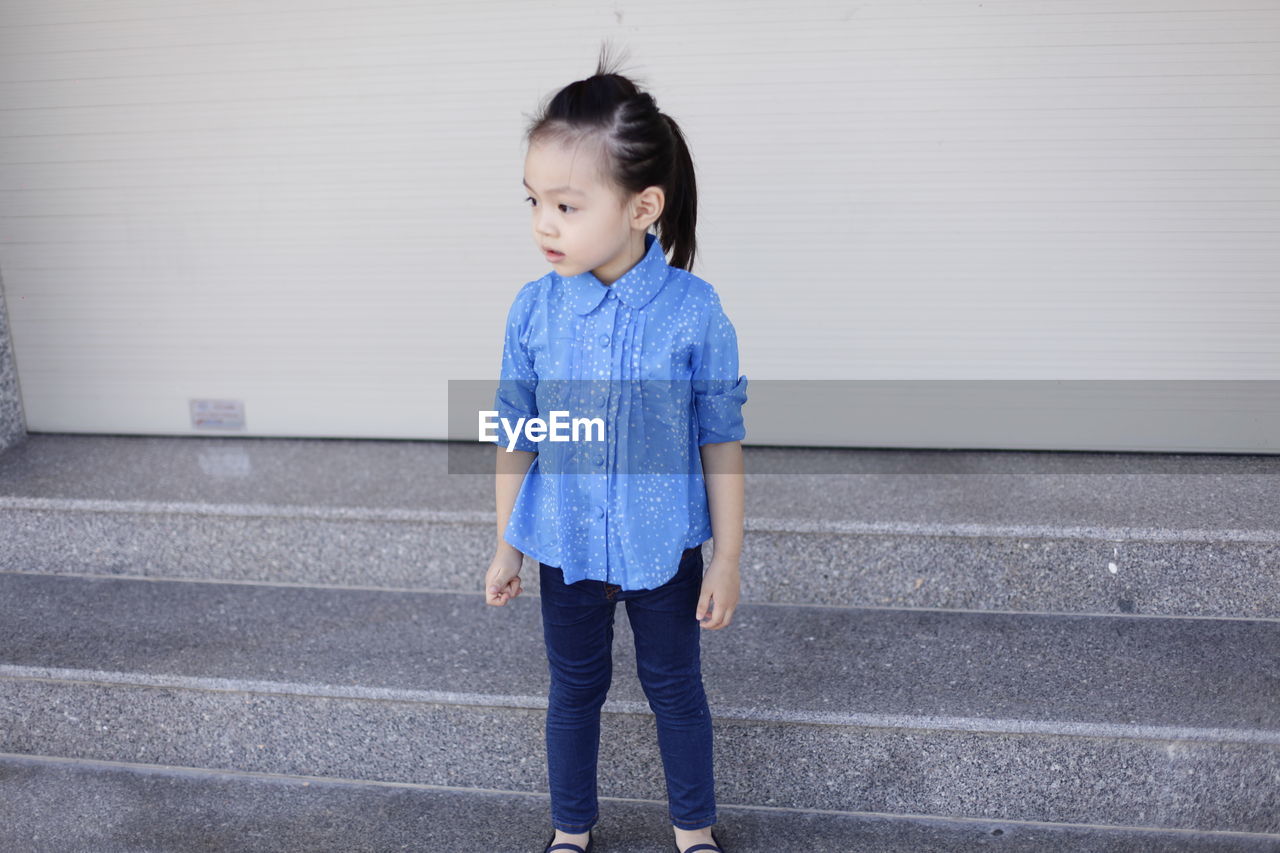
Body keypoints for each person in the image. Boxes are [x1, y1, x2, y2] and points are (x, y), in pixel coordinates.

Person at [483, 43, 747, 853]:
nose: (542, 224)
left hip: (664, 548)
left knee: (676, 689)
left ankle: (693, 830)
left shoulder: (694, 314)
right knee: (574, 689)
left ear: (641, 207)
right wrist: (506, 544)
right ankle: (571, 828)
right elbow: (515, 431)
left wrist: (729, 555)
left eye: (566, 205)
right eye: (534, 201)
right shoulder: (534, 312)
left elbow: (721, 438)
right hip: (564, 545)